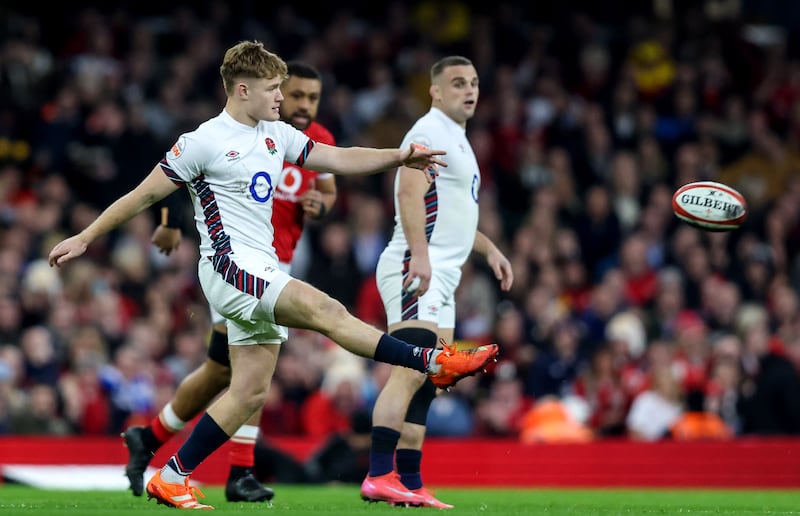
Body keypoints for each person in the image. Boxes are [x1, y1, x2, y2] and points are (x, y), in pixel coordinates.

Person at [48, 40, 498, 510]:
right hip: (230, 268)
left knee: (248, 392)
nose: (282, 98)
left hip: (259, 265)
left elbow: (339, 157)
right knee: (326, 310)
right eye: (274, 89)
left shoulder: (275, 133)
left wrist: (399, 157)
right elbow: (141, 196)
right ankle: (432, 361)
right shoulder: (204, 141)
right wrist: (86, 236)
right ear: (243, 90)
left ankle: (173, 475)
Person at [121, 61, 338, 503]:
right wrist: (167, 220)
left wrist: (321, 204)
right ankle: (237, 471)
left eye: (312, 99)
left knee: (224, 370)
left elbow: (329, 191)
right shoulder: (241, 131)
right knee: (248, 371)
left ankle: (151, 437)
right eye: (294, 94)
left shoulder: (313, 141)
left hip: (280, 264)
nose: (302, 104)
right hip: (237, 264)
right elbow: (184, 176)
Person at [362, 55, 513, 509]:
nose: (469, 90)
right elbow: (409, 191)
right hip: (414, 266)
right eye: (458, 83)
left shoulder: (459, 142)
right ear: (435, 91)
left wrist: (489, 250)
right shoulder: (428, 133)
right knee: (409, 372)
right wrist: (421, 256)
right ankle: (377, 475)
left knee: (431, 379)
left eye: (474, 83)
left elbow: (454, 216)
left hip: (442, 276)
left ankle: (408, 483)